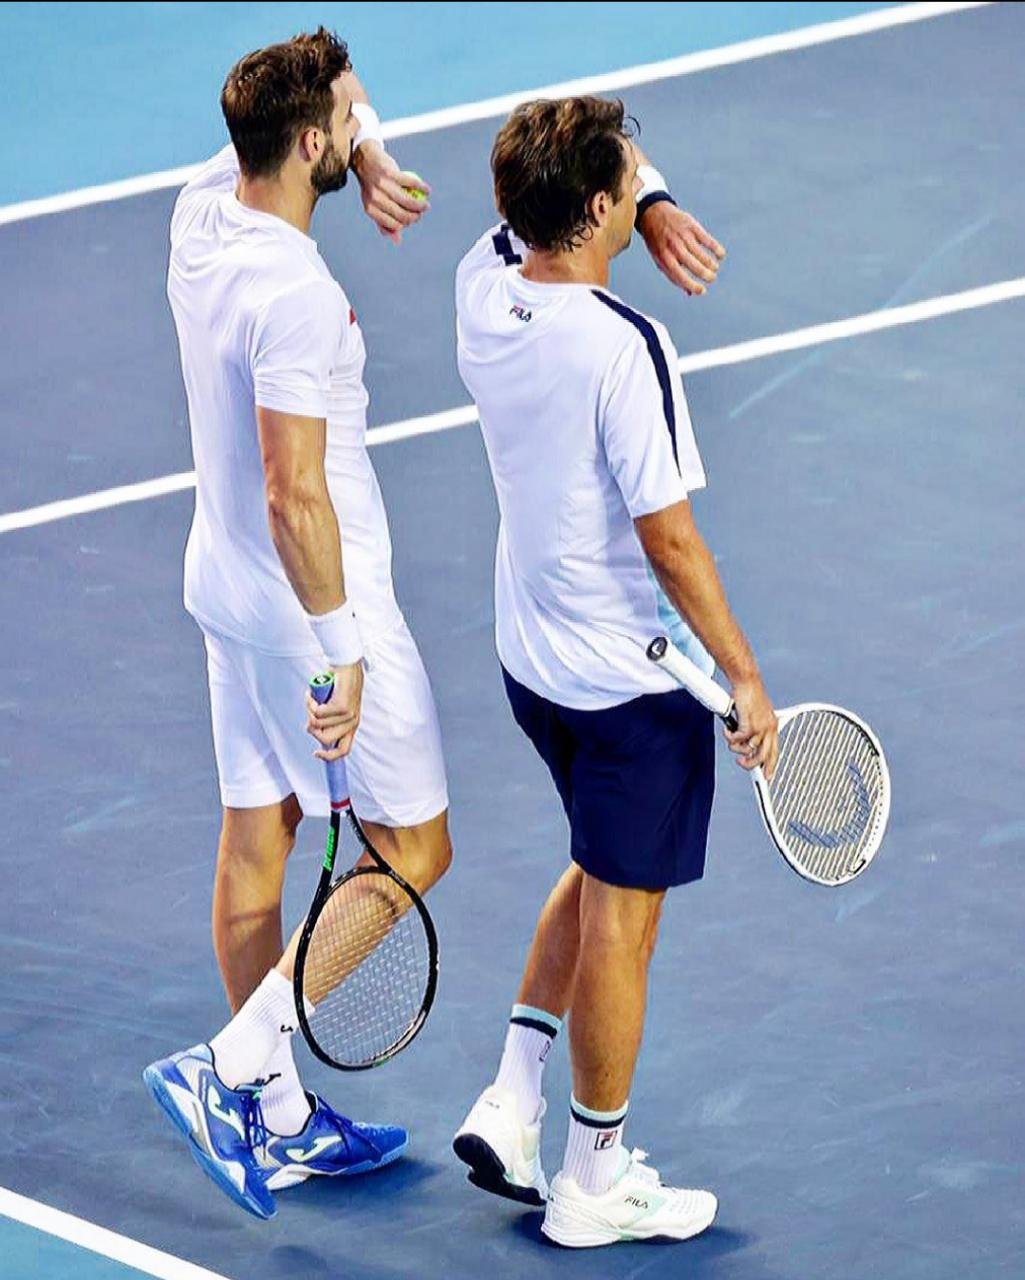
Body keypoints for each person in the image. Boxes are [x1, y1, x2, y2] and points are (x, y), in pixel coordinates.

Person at [452, 96, 779, 1249]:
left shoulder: (480, 283)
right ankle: (592, 1177)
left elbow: (564, 171)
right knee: (623, 926)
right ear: (596, 208)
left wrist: (642, 199)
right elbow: (669, 541)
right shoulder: (622, 347)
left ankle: (512, 1096)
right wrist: (743, 677)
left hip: (528, 661)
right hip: (626, 686)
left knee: (596, 863)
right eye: (624, 185)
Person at [142, 29, 451, 1220]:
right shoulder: (298, 296)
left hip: (221, 584)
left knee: (257, 831)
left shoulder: (200, 210)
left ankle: (274, 1118)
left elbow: (338, 75)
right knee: (412, 847)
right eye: (342, 125)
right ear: (307, 140)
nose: (356, 122)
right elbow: (294, 493)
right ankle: (229, 1061)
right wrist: (341, 649)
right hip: (311, 609)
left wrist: (364, 156)